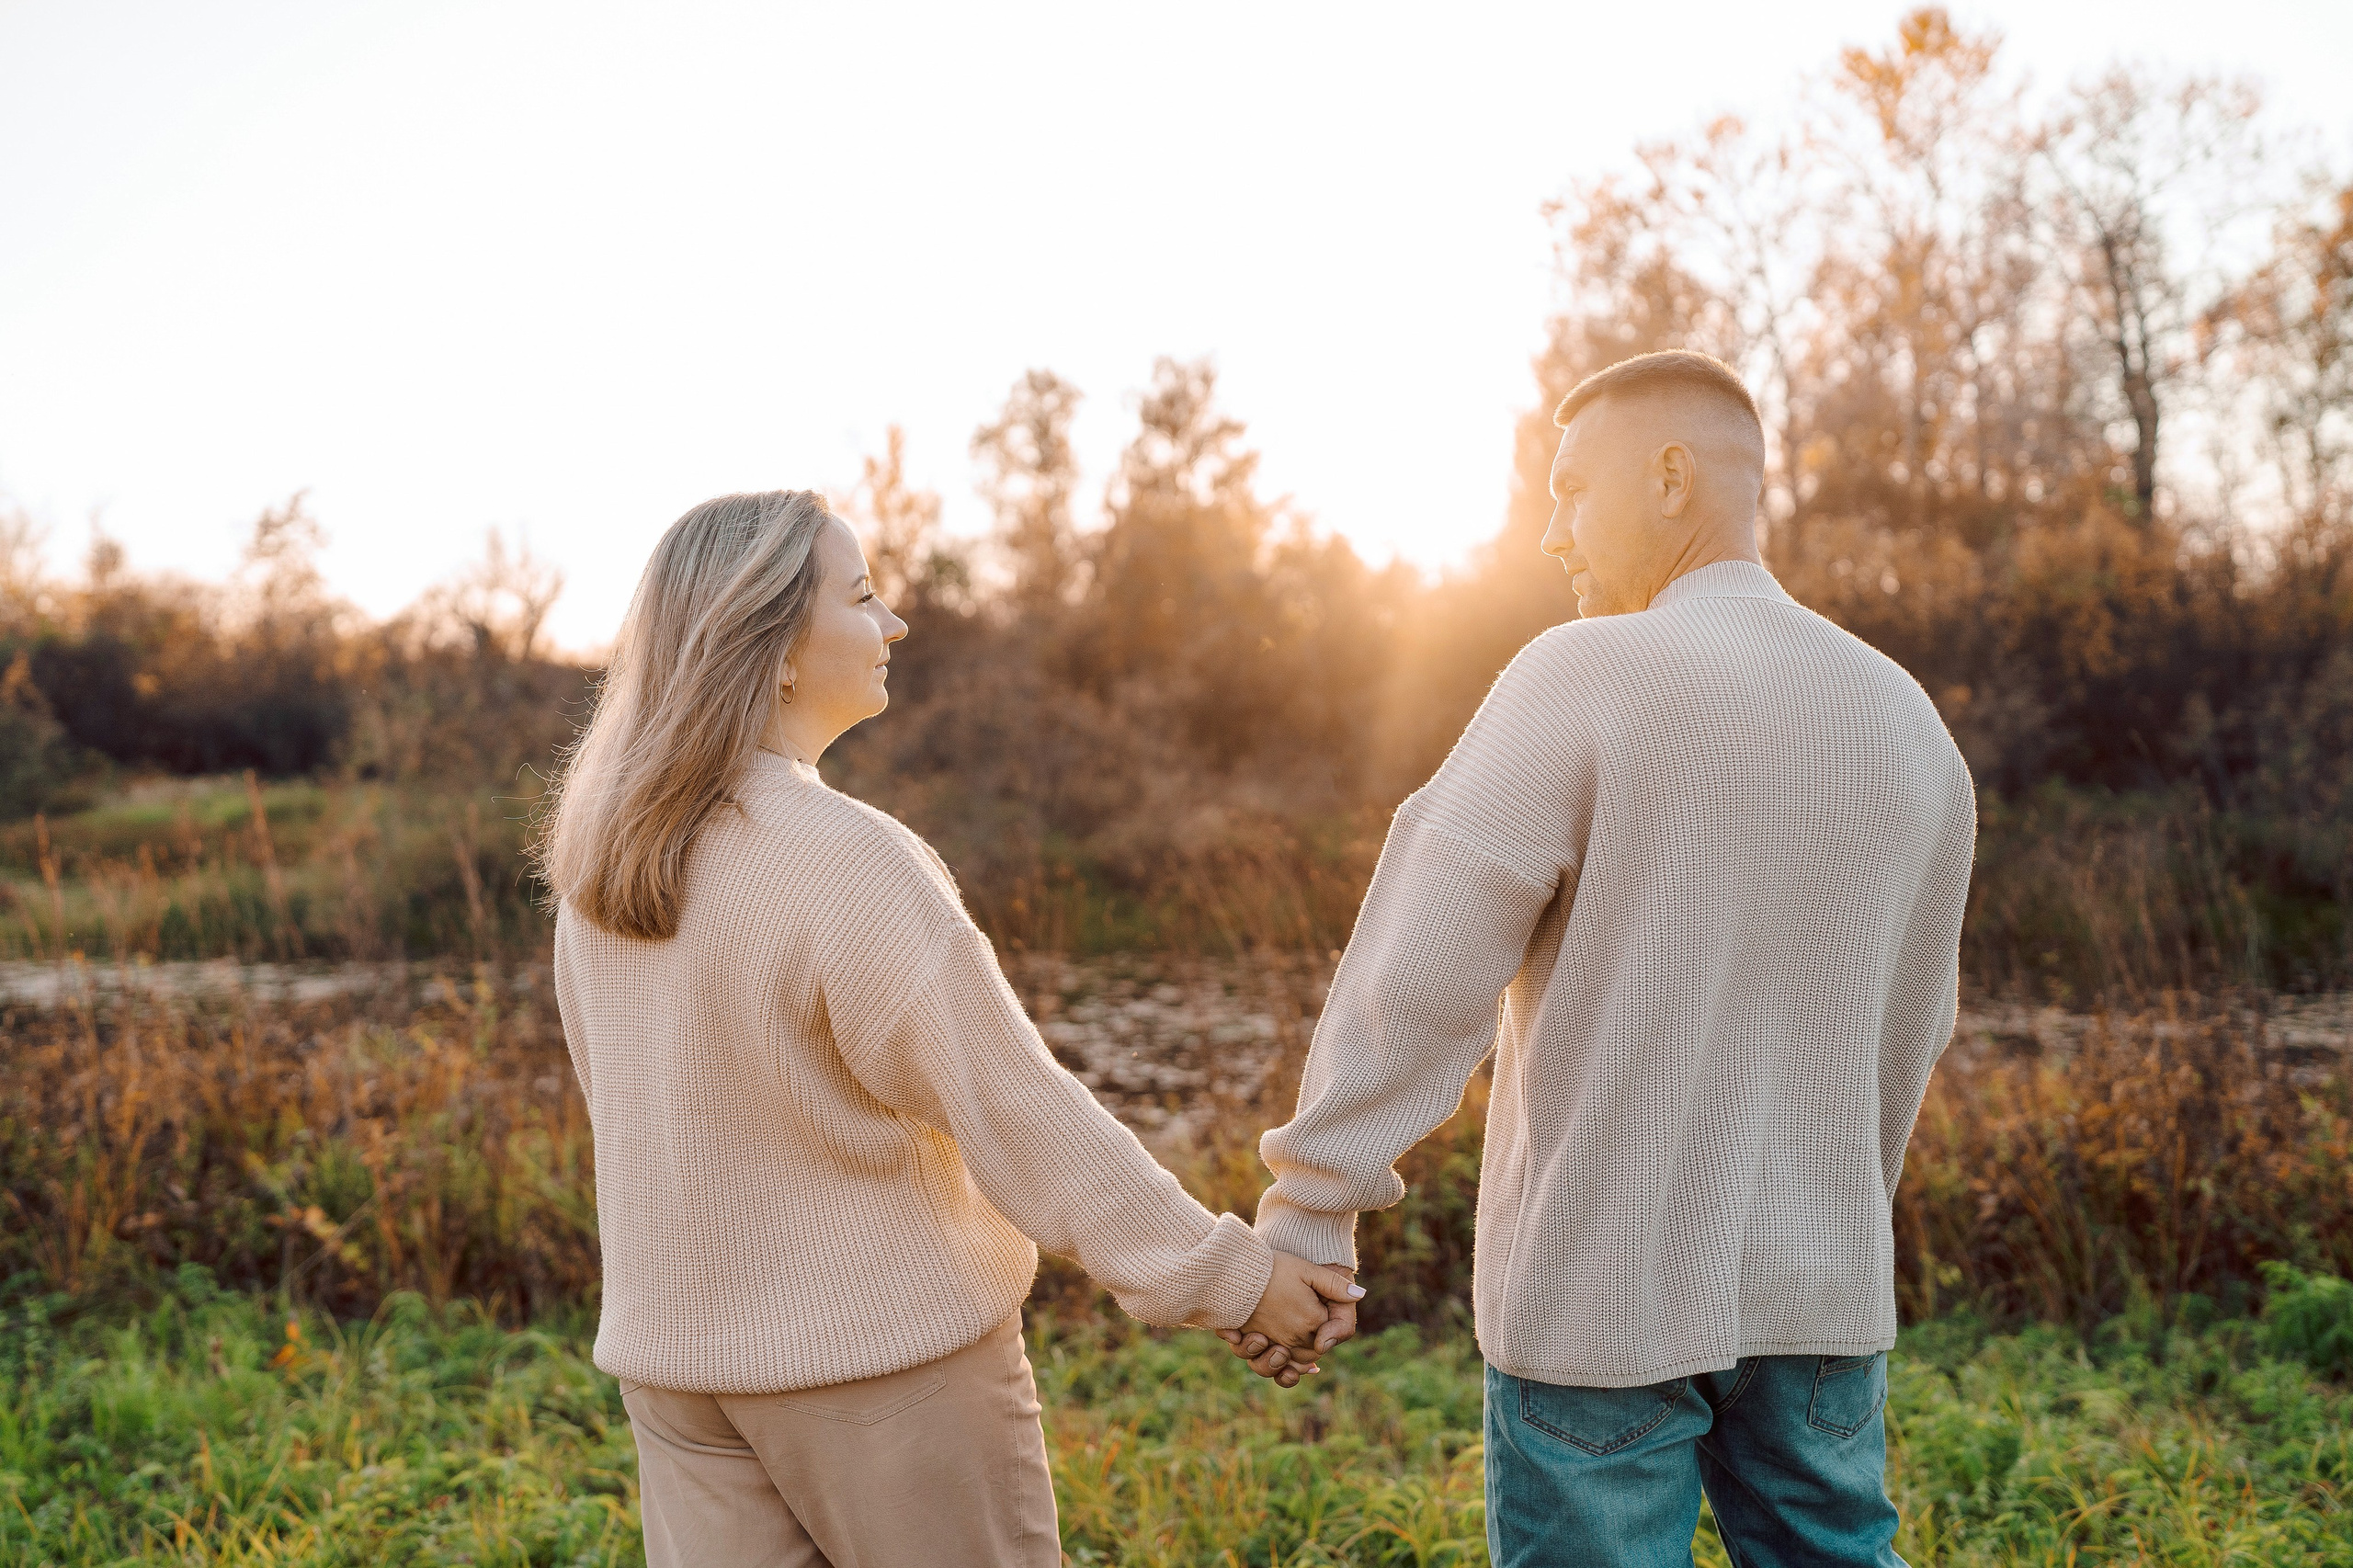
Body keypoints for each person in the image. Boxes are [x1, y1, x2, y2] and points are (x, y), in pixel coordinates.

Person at [1230, 352, 1976, 1567]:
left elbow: (1418, 974)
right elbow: (1912, 1022)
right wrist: (1833, 1206)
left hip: (1601, 1302)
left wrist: (1312, 1208)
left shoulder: (1583, 674)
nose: (1550, 527)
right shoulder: (1907, 717)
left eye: (1573, 489)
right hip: (1824, 1293)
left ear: (1672, 479)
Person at [538, 490, 1360, 1568]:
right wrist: (1234, 1278)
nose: (897, 624)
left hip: (679, 1376)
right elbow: (1017, 1110)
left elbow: (643, 1115)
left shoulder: (603, 863)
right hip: (879, 1376)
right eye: (865, 593)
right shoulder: (845, 859)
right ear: (776, 647)